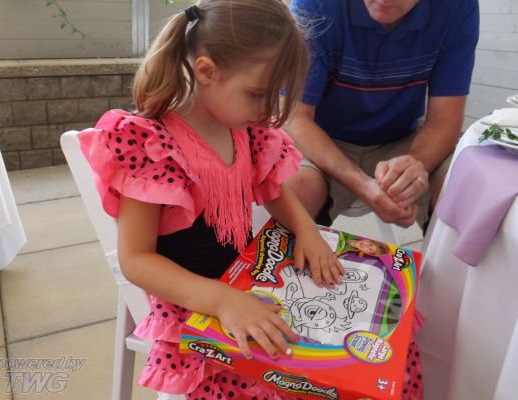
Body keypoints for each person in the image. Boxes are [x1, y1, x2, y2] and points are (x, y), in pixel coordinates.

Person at [77, 1, 345, 398]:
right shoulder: (152, 144)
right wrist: (223, 302)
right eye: (257, 94)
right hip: (194, 304)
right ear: (206, 71)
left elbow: (274, 188)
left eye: (276, 95)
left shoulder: (246, 129)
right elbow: (136, 260)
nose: (269, 111)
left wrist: (308, 231)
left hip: (243, 280)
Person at [285, 0, 480, 230]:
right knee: (291, 191)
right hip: (324, 139)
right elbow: (294, 116)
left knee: (467, 191)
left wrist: (413, 166)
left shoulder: (457, 7)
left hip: (404, 139)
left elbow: (445, 121)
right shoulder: (314, 5)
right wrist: (361, 183)